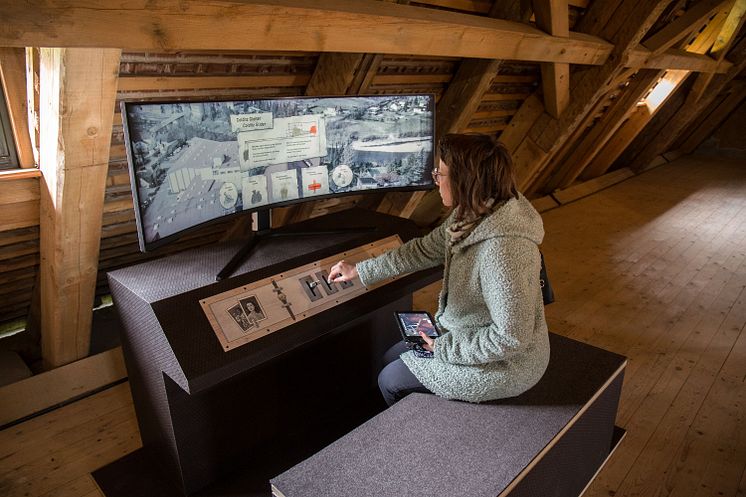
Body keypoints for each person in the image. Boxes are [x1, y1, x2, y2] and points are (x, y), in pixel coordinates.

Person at [328, 134, 550, 406]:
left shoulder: (502, 252)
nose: (436, 181)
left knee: (390, 380)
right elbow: (423, 250)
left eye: (440, 174)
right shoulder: (473, 212)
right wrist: (361, 271)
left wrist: (443, 348)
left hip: (505, 364)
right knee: (389, 358)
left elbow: (511, 338)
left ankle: (412, 439)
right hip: (466, 331)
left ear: (463, 182)